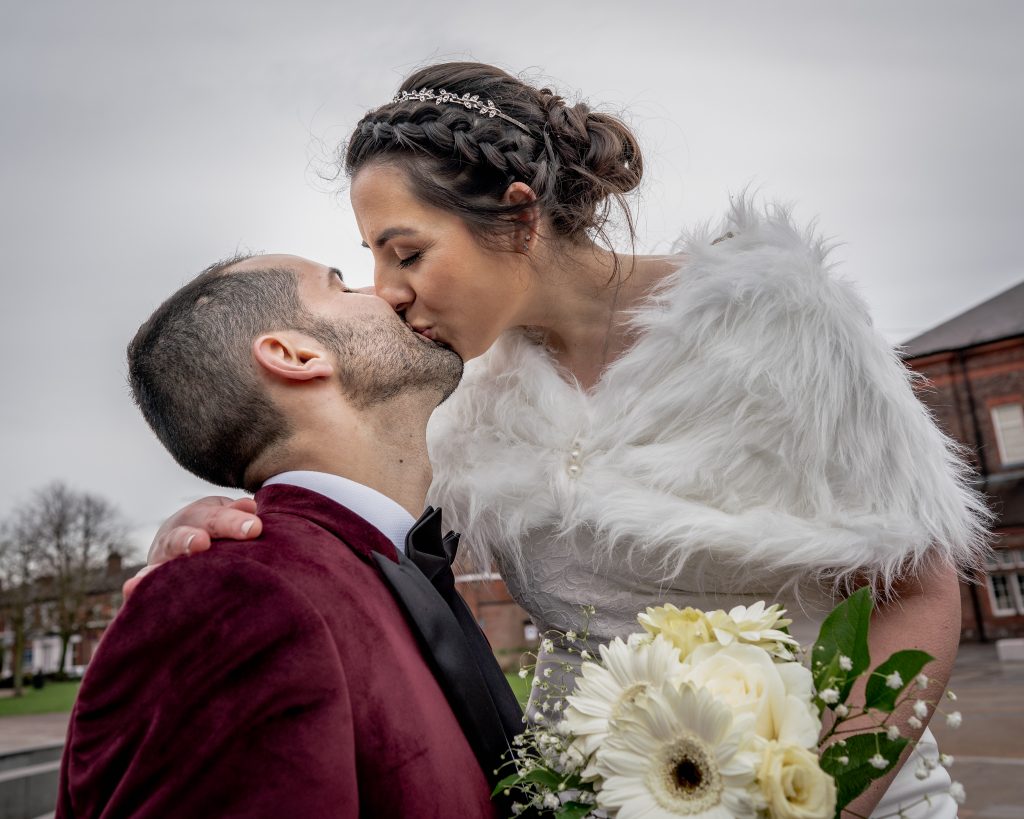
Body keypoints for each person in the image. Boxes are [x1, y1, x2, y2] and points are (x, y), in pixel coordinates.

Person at [145, 63, 989, 817]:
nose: (387, 292)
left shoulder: (775, 319)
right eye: (368, 259)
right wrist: (224, 517)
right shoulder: (453, 396)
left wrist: (818, 799)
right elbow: (352, 511)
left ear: (517, 219)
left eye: (405, 251)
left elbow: (919, 589)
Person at [58, 253, 523, 819]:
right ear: (296, 355)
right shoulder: (229, 602)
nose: (391, 293)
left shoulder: (383, 566)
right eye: (344, 285)